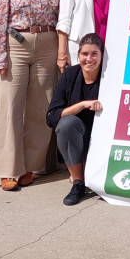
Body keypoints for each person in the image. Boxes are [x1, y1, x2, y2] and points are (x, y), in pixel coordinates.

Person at [0, 0, 62, 191]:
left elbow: (65, 13)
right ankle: (8, 168)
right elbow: (0, 22)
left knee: (40, 107)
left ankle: (31, 167)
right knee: (10, 106)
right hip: (17, 44)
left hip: (48, 43)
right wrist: (0, 57)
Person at [45, 33, 104, 206]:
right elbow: (51, 117)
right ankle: (78, 183)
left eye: (94, 54)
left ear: (102, 55)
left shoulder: (111, 76)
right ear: (78, 55)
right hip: (77, 137)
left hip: (102, 137)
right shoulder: (69, 75)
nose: (89, 59)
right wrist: (82, 105)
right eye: (85, 54)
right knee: (66, 124)